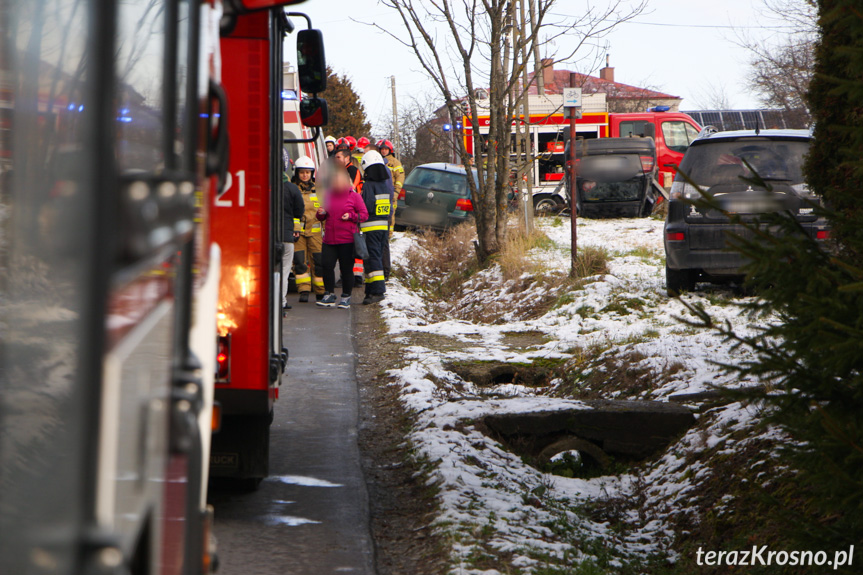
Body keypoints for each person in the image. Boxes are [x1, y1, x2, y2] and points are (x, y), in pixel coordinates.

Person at [315, 162, 369, 309]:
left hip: (347, 239)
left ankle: (346, 296)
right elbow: (321, 217)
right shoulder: (328, 196)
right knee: (326, 265)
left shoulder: (355, 197)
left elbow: (364, 215)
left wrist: (351, 216)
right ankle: (329, 294)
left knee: (346, 269)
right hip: (329, 239)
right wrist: (321, 213)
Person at [358, 150, 393, 304]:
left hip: (370, 228)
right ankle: (370, 290)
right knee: (376, 257)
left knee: (373, 259)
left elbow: (367, 207)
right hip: (383, 227)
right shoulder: (385, 185)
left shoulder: (368, 186)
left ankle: (378, 291)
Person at [291, 156, 325, 302]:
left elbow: (326, 209)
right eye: (302, 172)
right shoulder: (293, 190)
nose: (305, 175)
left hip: (316, 233)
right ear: (297, 173)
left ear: (312, 173)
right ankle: (304, 290)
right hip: (298, 232)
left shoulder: (318, 190)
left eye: (308, 172)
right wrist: (295, 228)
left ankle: (320, 291)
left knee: (319, 261)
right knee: (299, 261)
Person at [281, 169, 305, 313]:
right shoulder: (292, 188)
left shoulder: (265, 185)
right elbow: (299, 210)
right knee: (284, 271)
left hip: (267, 236)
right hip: (286, 235)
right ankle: (281, 301)